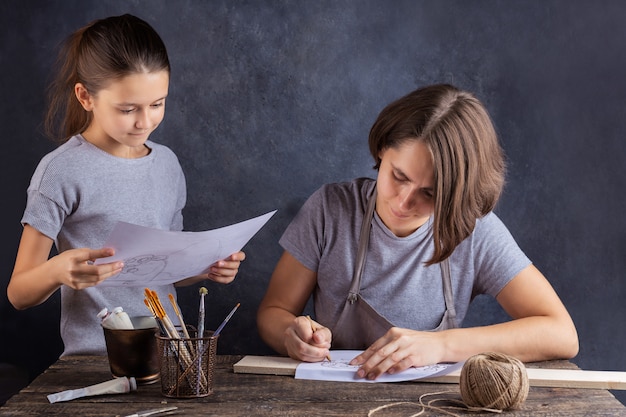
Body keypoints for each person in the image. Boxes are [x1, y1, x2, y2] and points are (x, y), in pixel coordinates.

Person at [257, 83, 579, 380]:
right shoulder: (329, 210)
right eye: (398, 175)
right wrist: (292, 335)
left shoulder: (475, 232)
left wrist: (442, 346)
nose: (403, 201)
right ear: (382, 149)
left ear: (456, 196)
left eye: (430, 193)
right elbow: (273, 312)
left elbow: (562, 333)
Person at [7, 14, 244, 356]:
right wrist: (58, 270)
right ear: (85, 97)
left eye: (157, 104)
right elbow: (18, 292)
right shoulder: (60, 170)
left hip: (171, 357)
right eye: (128, 108)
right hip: (97, 361)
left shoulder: (167, 164)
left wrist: (204, 267)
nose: (145, 121)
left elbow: (165, 270)